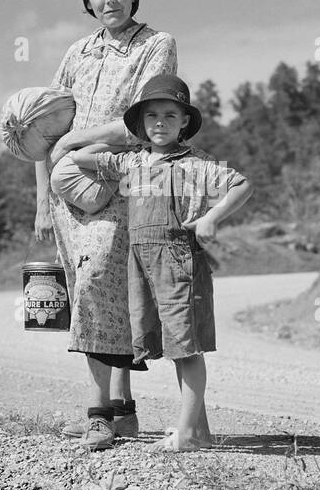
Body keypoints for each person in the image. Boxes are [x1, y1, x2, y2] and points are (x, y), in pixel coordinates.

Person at [35, 0, 177, 451]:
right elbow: (43, 128)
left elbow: (141, 121)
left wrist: (75, 141)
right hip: (66, 192)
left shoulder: (157, 45)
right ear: (87, 2)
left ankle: (97, 413)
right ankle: (122, 411)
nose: (109, 0)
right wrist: (40, 199)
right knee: (95, 294)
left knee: (99, 281)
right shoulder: (76, 54)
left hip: (121, 182)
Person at [72, 74, 253, 452]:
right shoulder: (133, 161)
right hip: (143, 264)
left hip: (178, 261)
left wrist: (211, 218)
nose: (160, 122)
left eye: (170, 115)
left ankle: (187, 434)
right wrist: (125, 137)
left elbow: (241, 184)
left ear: (184, 121)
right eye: (151, 115)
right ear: (140, 123)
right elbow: (80, 157)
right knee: (174, 347)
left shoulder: (197, 164)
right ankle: (198, 431)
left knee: (187, 348)